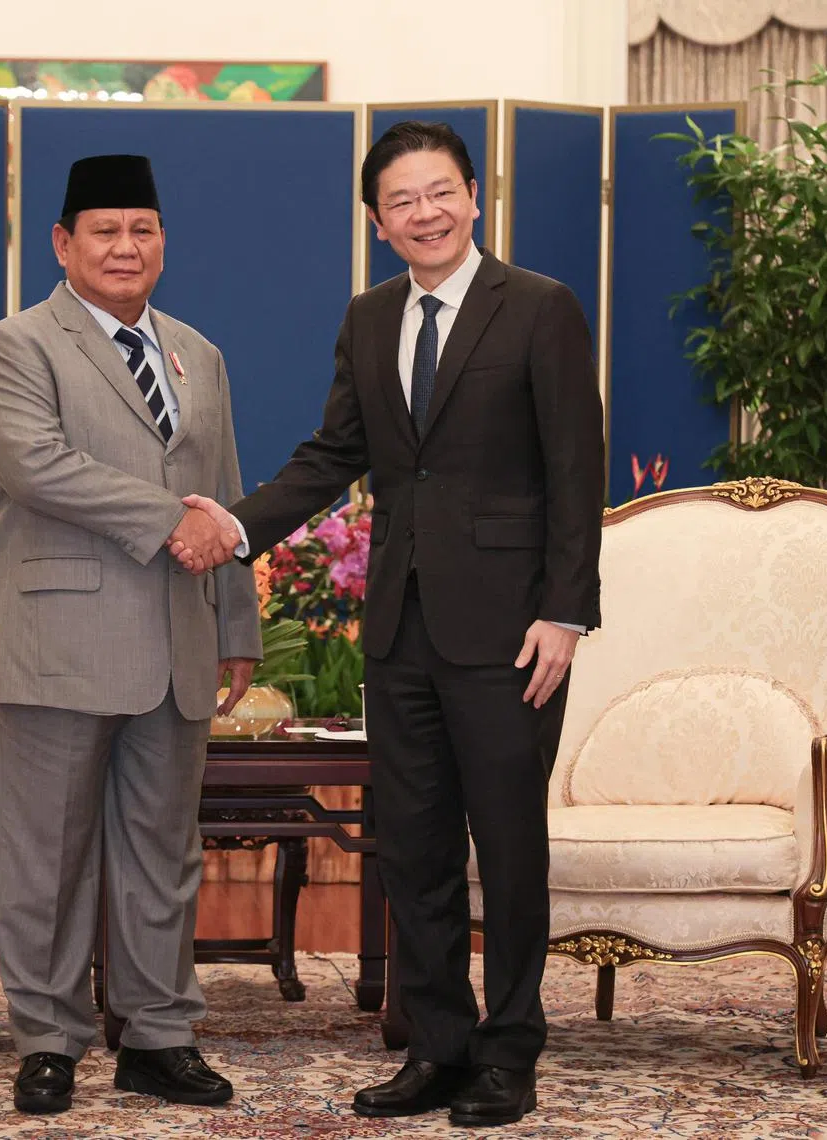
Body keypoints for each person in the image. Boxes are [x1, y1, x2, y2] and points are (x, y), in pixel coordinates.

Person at [175, 121, 604, 1128]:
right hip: (400, 632)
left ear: (473, 196)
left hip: (512, 633)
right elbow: (336, 455)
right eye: (403, 201)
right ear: (378, 222)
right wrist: (239, 525)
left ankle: (510, 1056)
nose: (426, 213)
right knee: (412, 850)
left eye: (440, 191)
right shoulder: (371, 318)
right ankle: (439, 1051)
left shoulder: (539, 309)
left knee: (506, 846)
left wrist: (566, 613)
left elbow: (576, 472)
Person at [0, 153, 260, 1116]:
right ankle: (48, 1041)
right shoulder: (15, 345)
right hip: (58, 638)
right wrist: (171, 520)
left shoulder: (197, 352)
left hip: (176, 639)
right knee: (47, 853)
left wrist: (236, 622)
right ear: (63, 243)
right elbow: (37, 465)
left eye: (143, 230)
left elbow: (227, 491)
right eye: (104, 231)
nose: (126, 247)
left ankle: (159, 1036)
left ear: (163, 242)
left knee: (163, 848)